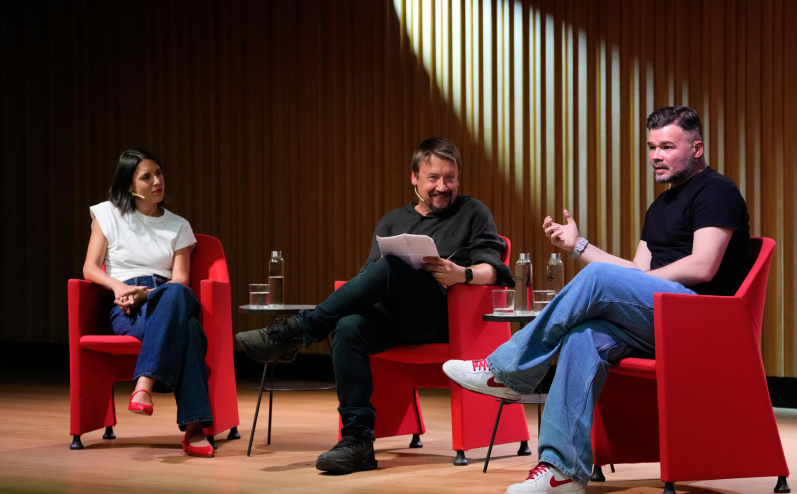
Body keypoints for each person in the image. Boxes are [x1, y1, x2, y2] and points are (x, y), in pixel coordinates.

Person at [443, 106, 753, 494]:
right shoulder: (659, 207)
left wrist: (622, 281)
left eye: (668, 147)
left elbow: (703, 266)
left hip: (703, 323)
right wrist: (579, 246)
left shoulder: (716, 190)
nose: (656, 155)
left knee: (600, 280)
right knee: (582, 337)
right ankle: (563, 472)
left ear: (697, 148)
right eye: (651, 147)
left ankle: (508, 371)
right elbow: (634, 272)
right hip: (661, 318)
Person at [235, 136, 514, 474]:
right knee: (350, 326)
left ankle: (296, 332)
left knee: (392, 265)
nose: (443, 186)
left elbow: (494, 270)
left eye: (450, 177)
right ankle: (357, 440)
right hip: (393, 319)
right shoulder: (392, 221)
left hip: (443, 320)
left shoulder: (473, 212)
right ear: (414, 177)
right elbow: (368, 279)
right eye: (433, 178)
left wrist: (461, 273)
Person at [83, 149, 215, 458]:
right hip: (127, 304)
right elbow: (90, 268)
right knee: (191, 331)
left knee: (176, 294)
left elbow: (180, 279)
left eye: (159, 173)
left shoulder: (178, 225)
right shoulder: (107, 215)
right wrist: (120, 288)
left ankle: (145, 382)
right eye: (147, 177)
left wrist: (150, 294)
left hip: (166, 295)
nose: (158, 181)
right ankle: (195, 430)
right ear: (130, 186)